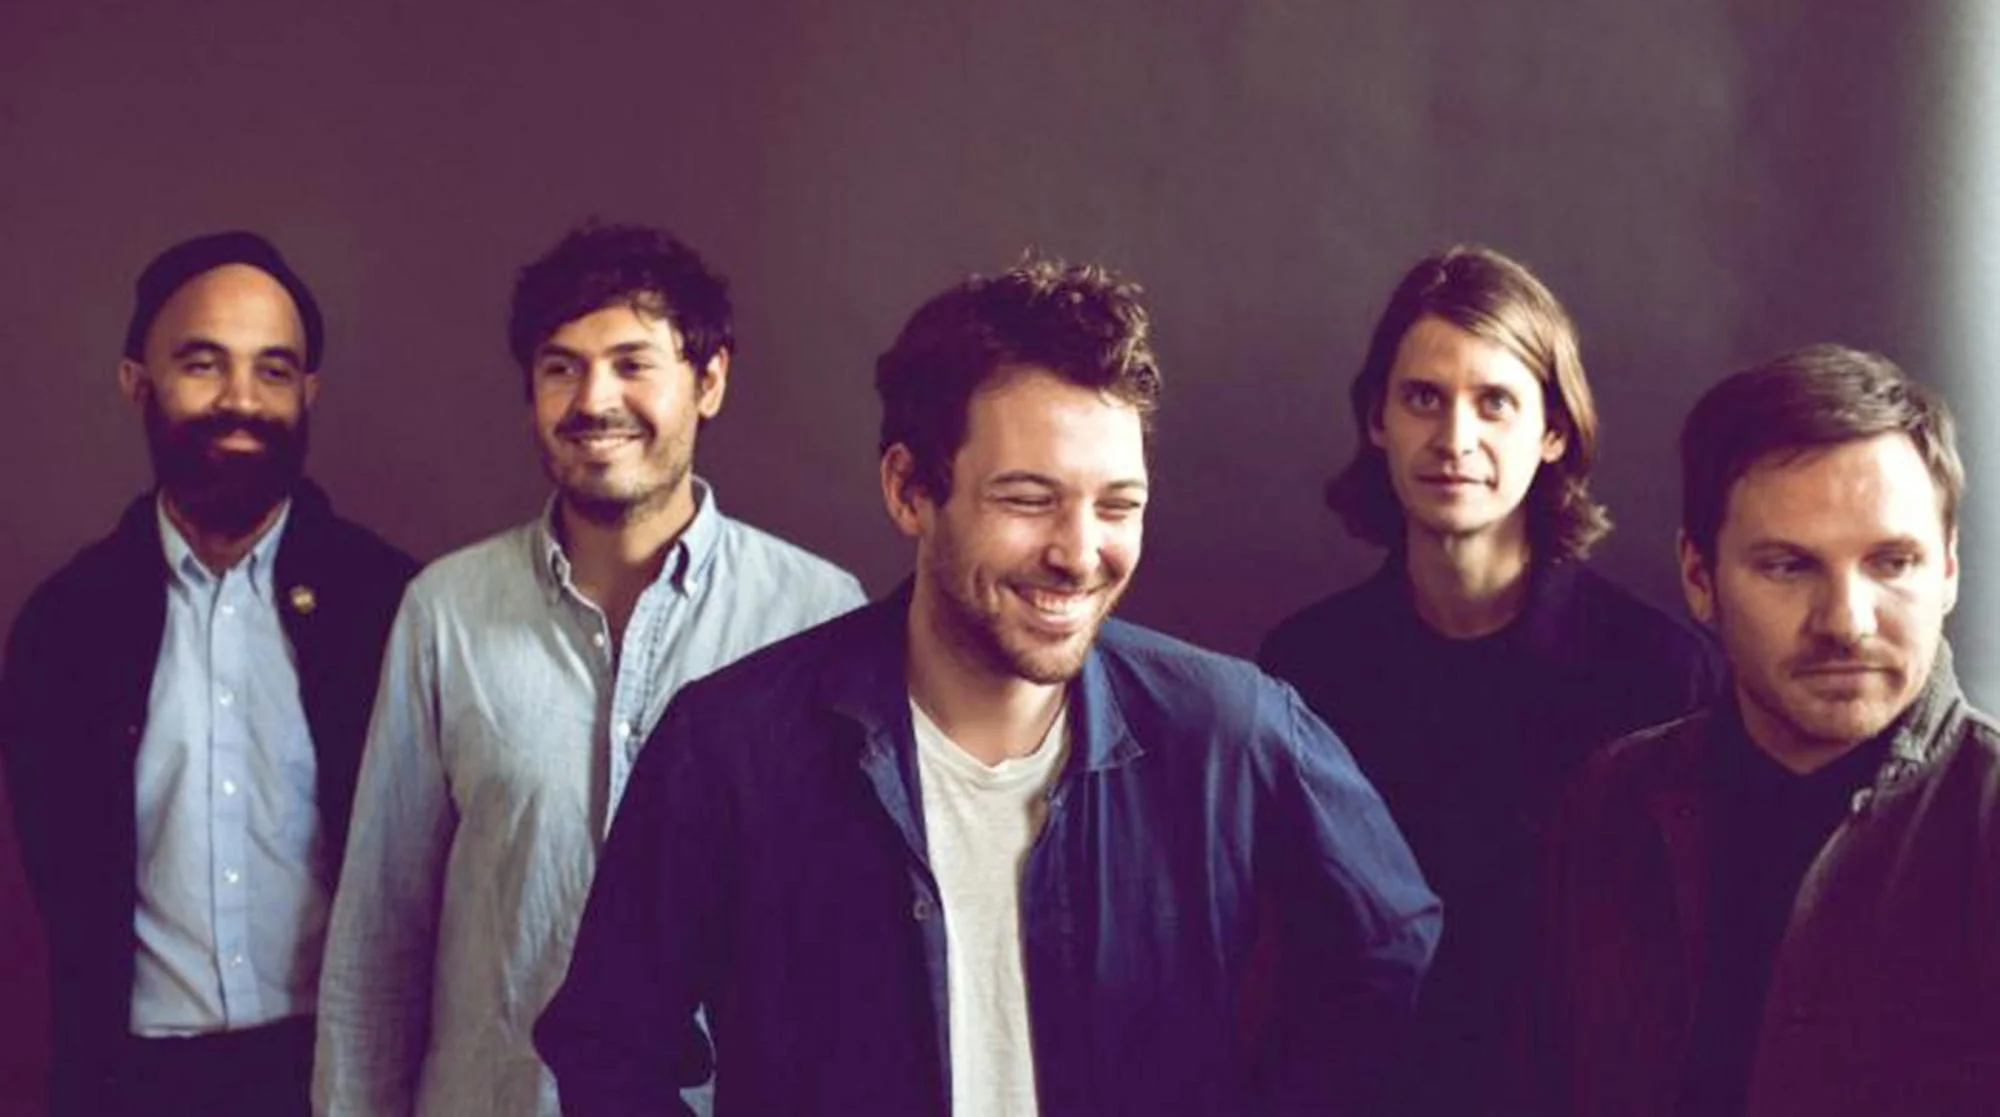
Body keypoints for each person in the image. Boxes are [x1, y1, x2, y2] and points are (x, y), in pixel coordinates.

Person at [536, 257, 1441, 1117]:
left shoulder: (1231, 729)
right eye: (1028, 498)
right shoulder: (731, 746)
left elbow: (1389, 942)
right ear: (908, 490)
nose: (1080, 552)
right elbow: (610, 1043)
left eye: (1117, 504)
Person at [312, 223, 866, 1117]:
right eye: (561, 366)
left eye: (633, 362)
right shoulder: (444, 611)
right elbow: (380, 932)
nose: (593, 398)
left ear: (710, 379)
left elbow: (851, 944)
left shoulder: (816, 615)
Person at [1257, 245, 1715, 1113]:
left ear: (1552, 431)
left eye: (1493, 402)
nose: (1454, 439)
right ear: (1377, 420)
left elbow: (1681, 962)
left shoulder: (1657, 670)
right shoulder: (1307, 666)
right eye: (1423, 397)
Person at [0, 232, 416, 1117]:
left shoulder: (393, 606)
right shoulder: (62, 628)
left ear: (308, 393)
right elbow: (56, 890)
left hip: (341, 1077)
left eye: (273, 371)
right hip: (131, 1084)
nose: (241, 400)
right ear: (135, 383)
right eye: (203, 364)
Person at [1529, 344, 2000, 1116]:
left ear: (1948, 570)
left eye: (1892, 562)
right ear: (1698, 576)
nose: (1846, 621)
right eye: (1788, 565)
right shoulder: (1609, 803)